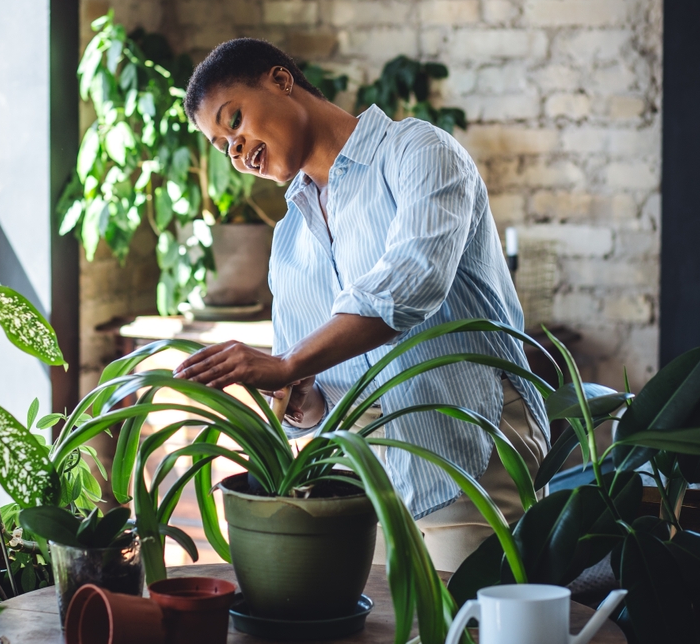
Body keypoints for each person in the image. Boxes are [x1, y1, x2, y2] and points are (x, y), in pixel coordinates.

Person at [172, 38, 550, 572]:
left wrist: (288, 363)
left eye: (234, 120)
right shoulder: (289, 240)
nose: (235, 149)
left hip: (465, 445)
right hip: (361, 483)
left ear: (282, 81)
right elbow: (318, 398)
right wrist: (297, 392)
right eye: (222, 146)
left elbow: (412, 283)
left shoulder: (418, 151)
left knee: (470, 624)